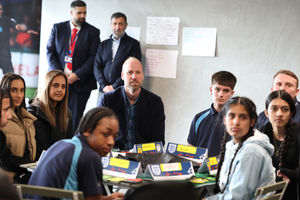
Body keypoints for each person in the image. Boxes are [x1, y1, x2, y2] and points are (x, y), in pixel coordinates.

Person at [28, 107, 124, 200]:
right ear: (87, 130)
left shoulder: (61, 144)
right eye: (106, 134)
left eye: (115, 137)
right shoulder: (89, 156)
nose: (111, 142)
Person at [206, 97, 275, 200]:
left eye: (243, 117)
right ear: (225, 120)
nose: (236, 122)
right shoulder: (232, 145)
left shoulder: (251, 151)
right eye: (231, 116)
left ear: (252, 122)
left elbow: (238, 197)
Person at [46, 0, 100, 131]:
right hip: (58, 82)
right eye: (79, 13)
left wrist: (76, 75)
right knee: (53, 116)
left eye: (84, 13)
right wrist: (59, 75)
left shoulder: (92, 32)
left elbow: (94, 57)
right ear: (71, 12)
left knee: (74, 120)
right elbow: (50, 51)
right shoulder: (57, 28)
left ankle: (70, 148)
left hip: (80, 84)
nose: (82, 16)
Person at [99, 57, 165, 150]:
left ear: (143, 76)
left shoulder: (155, 102)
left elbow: (159, 141)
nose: (134, 76)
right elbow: (100, 134)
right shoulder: (107, 100)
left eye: (138, 72)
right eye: (130, 72)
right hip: (114, 155)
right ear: (122, 75)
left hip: (143, 156)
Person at [258, 90, 300, 200]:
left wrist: (293, 174)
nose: (279, 113)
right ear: (266, 113)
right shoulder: (259, 135)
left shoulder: (298, 133)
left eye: (285, 109)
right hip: (265, 194)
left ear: (291, 113)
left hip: (294, 193)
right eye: (274, 109)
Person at [187, 71, 236, 157]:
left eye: (226, 91)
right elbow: (191, 146)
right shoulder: (198, 118)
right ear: (211, 90)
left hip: (225, 169)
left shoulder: (237, 121)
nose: (221, 94)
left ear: (232, 93)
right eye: (217, 89)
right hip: (198, 169)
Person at [28, 70, 73, 160]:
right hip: (36, 164)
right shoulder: (32, 112)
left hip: (59, 163)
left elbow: (69, 144)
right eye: (55, 85)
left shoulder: (67, 114)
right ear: (46, 86)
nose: (60, 89)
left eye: (63, 87)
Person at [94, 12, 141, 96]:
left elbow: (132, 69)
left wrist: (114, 86)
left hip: (123, 89)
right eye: (114, 24)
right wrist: (104, 85)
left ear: (126, 25)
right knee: (101, 109)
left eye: (120, 24)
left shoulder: (133, 44)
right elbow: (96, 66)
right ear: (111, 25)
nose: (117, 27)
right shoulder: (103, 44)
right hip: (103, 90)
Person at [0, 73, 36, 183]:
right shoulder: (3, 122)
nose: (19, 95)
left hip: (24, 176)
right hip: (9, 179)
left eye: (22, 90)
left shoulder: (29, 118)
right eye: (14, 90)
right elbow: (5, 158)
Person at [0, 3, 27, 73]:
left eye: (1, 9)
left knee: (10, 76)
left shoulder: (6, 20)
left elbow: (14, 24)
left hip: (4, 54)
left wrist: (18, 26)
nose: (1, 11)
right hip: (5, 53)